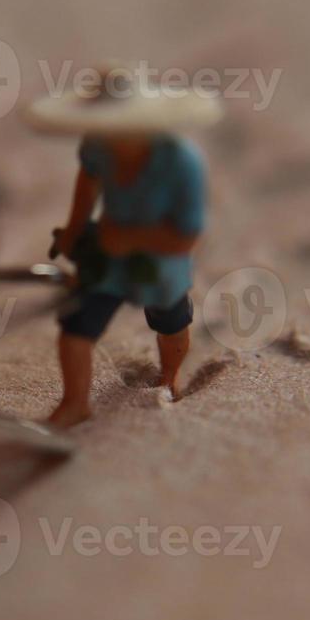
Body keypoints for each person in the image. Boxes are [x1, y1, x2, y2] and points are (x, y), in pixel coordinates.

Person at [24, 63, 223, 427]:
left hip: (160, 262)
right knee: (76, 327)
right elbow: (88, 180)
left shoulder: (183, 163)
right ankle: (74, 403)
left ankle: (170, 376)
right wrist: (74, 228)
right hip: (107, 256)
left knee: (171, 321)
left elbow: (187, 235)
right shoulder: (99, 147)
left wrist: (132, 239)